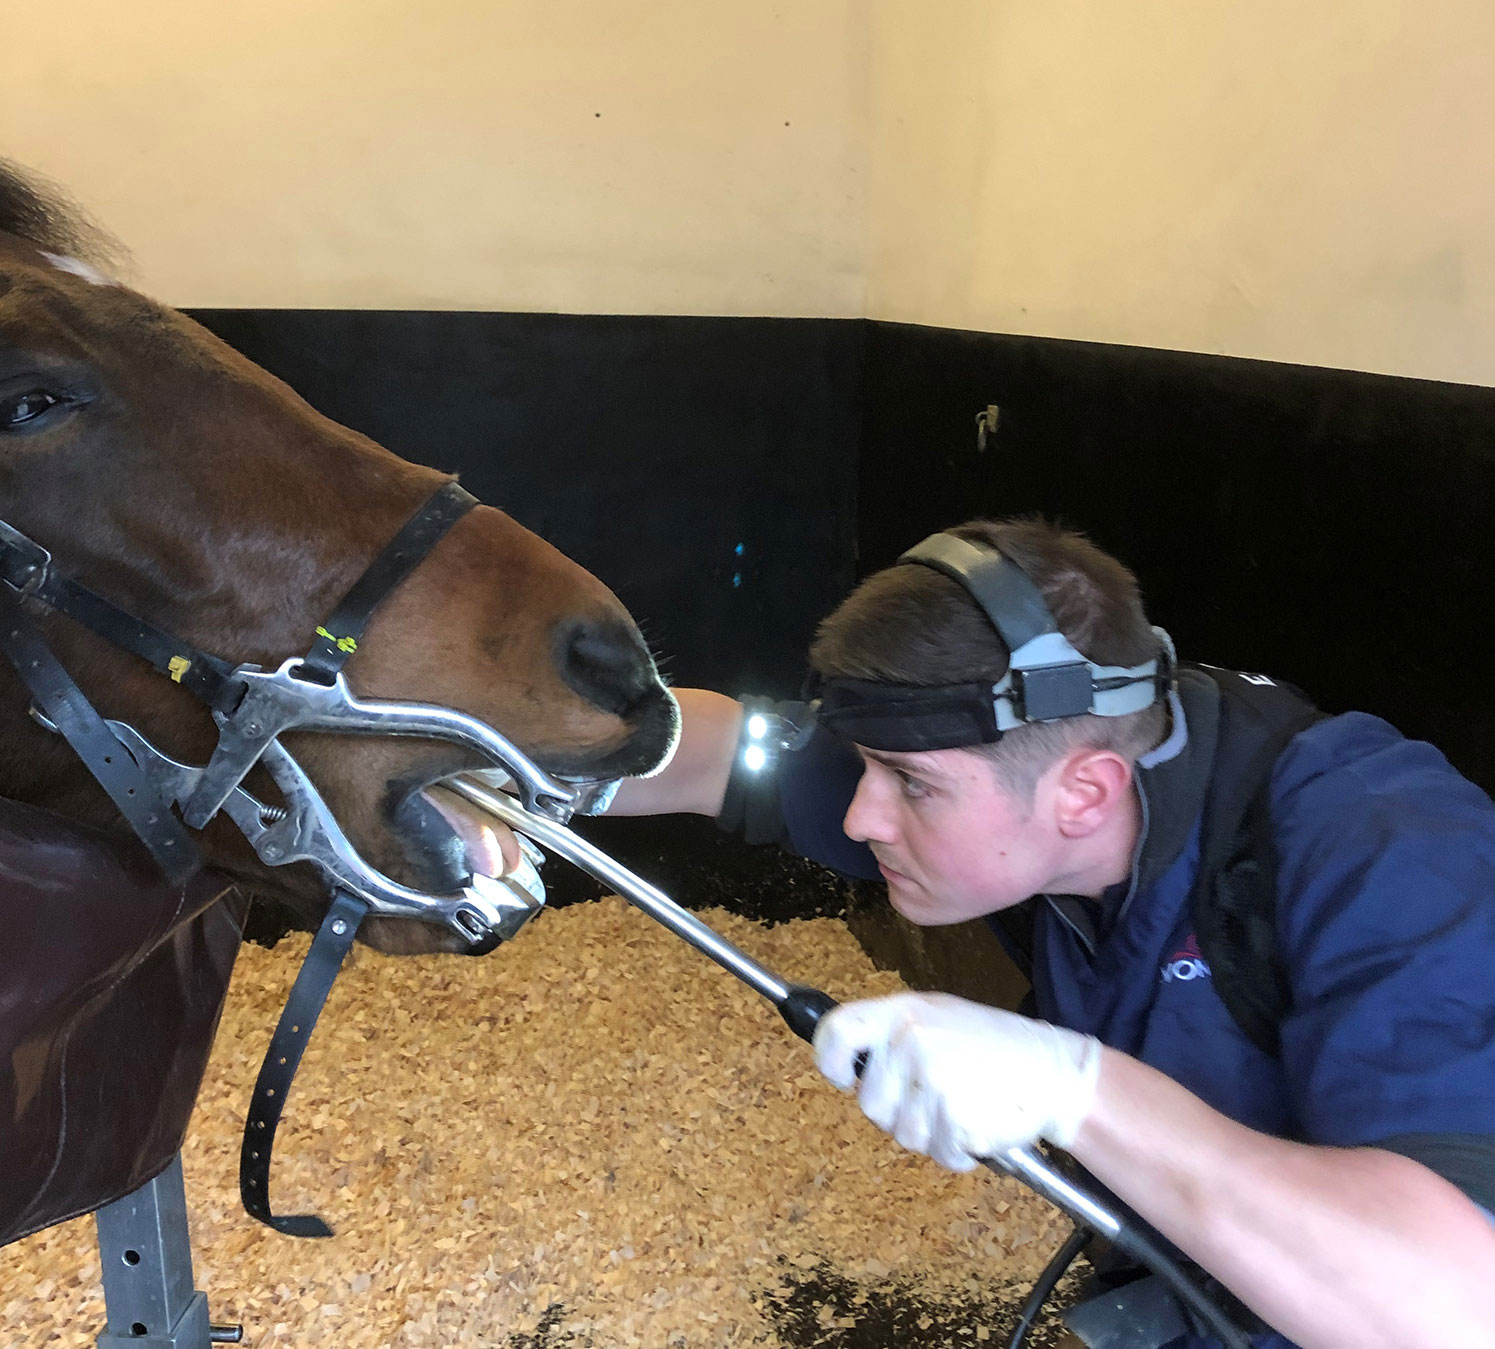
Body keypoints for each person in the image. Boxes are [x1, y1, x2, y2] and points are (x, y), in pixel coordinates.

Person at [602, 516, 1495, 1349]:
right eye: (870, 767)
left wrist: (1076, 1089)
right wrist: (507, 763)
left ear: (1083, 793)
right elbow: (729, 754)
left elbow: (1452, 1305)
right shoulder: (1030, 757)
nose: (865, 814)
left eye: (909, 784)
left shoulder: (1387, 855)